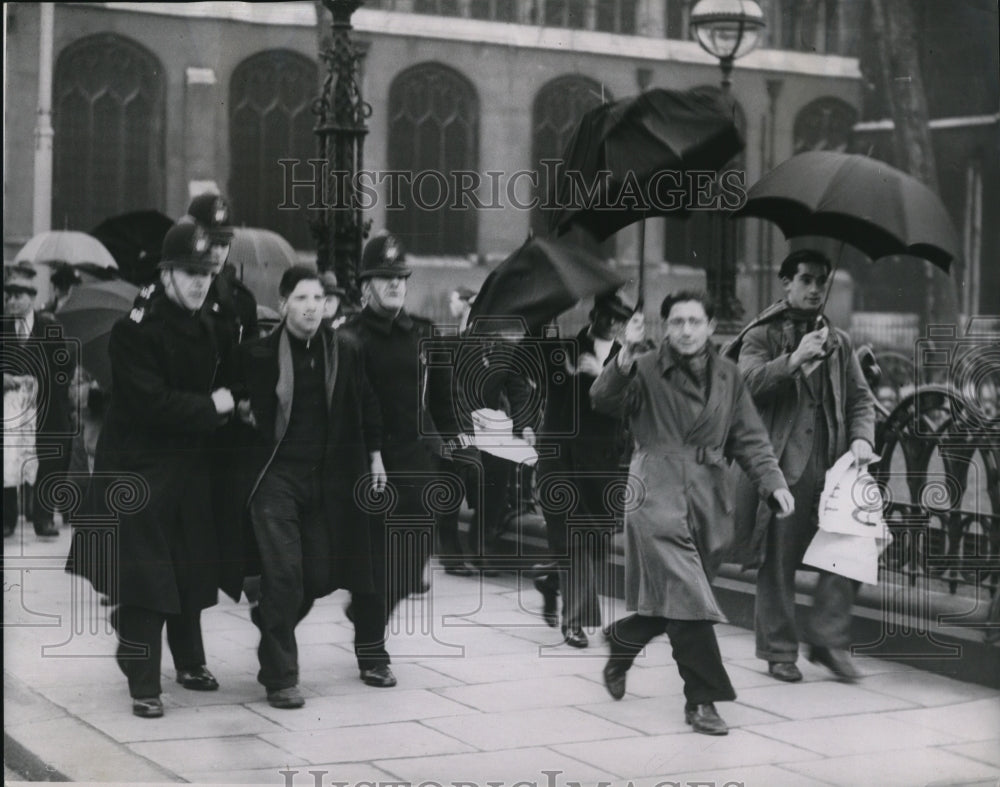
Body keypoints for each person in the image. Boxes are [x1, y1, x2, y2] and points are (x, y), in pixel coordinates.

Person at [591, 291, 794, 736]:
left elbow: (749, 437)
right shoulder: (643, 367)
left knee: (679, 600)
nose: (685, 330)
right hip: (656, 493)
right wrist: (624, 354)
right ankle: (702, 699)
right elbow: (603, 400)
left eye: (695, 321)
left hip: (709, 499)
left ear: (710, 326)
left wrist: (772, 483)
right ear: (664, 326)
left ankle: (626, 637)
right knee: (689, 600)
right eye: (677, 321)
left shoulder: (728, 374)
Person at [65, 223, 237, 718]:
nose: (200, 282)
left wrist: (232, 400)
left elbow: (223, 377)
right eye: (189, 272)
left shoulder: (207, 322)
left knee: (189, 567)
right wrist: (213, 405)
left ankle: (189, 662)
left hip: (185, 467)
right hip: (137, 471)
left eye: (206, 272)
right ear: (166, 274)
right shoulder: (136, 330)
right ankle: (144, 681)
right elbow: (148, 403)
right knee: (148, 577)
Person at [235, 265, 394, 708]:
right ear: (284, 303)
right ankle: (281, 677)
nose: (311, 307)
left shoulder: (344, 349)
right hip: (275, 479)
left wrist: (376, 456)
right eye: (301, 299)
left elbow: (366, 402)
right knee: (285, 574)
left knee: (319, 576)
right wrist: (244, 410)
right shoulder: (259, 354)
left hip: (324, 481)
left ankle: (271, 618)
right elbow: (235, 403)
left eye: (318, 299)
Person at [731, 249, 876, 684]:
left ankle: (828, 640)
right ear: (786, 284)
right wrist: (793, 360)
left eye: (821, 280)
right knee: (778, 560)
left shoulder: (838, 340)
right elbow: (744, 385)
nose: (814, 289)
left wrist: (862, 436)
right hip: (781, 465)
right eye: (806, 280)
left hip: (832, 469)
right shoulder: (762, 335)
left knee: (853, 547)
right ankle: (778, 651)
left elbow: (860, 399)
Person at [342, 233, 439, 610]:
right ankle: (373, 654)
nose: (396, 283)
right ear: (366, 286)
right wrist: (369, 454)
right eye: (386, 277)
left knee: (414, 561)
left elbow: (438, 396)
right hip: (372, 462)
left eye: (401, 277)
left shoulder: (420, 332)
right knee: (378, 563)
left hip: (414, 458)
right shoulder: (350, 338)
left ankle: (369, 616)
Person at [534, 292, 632, 647]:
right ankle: (574, 622)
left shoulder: (632, 358)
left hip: (605, 463)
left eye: (620, 317)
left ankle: (551, 579)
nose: (612, 322)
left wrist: (605, 377)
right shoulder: (565, 350)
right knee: (576, 540)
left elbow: (635, 408)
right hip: (565, 461)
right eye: (607, 314)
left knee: (597, 541)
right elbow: (541, 370)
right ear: (594, 314)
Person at [2, 263, 73, 538]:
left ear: (31, 298)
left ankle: (43, 518)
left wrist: (40, 383)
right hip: (9, 411)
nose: (12, 301)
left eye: (18, 295)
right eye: (8, 296)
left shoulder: (49, 328)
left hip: (44, 409)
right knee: (7, 460)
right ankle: (6, 519)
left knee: (47, 460)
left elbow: (63, 368)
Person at [184, 192, 258, 344]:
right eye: (211, 243)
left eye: (224, 244)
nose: (218, 252)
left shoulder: (241, 300)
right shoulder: (172, 289)